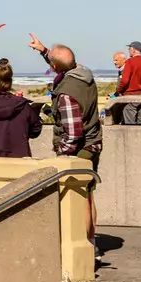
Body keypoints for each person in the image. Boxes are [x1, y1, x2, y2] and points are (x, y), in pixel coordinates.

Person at [28, 32, 103, 231]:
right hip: (94, 141)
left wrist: (61, 154)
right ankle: (92, 240)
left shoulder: (67, 94)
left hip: (80, 148)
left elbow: (73, 133)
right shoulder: (84, 73)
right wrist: (44, 51)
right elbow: (62, 63)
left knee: (80, 198)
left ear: (54, 68)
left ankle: (86, 243)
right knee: (88, 194)